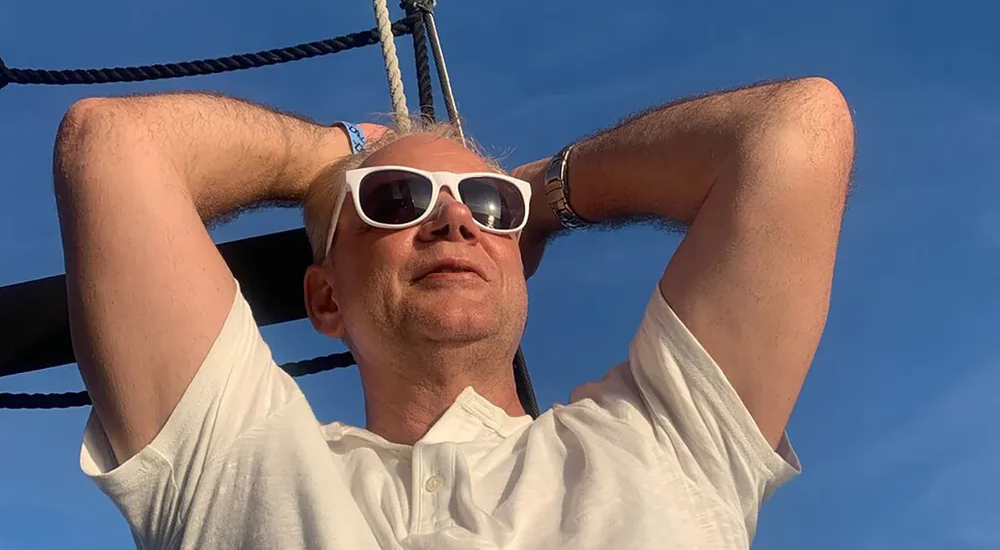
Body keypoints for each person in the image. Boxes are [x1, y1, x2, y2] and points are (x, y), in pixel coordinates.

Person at [53, 77, 853, 549]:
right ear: (325, 297)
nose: (455, 220)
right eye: (395, 199)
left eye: (488, 205)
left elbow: (797, 127)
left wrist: (546, 193)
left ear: (519, 267)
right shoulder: (237, 458)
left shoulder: (666, 440)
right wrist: (333, 155)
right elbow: (113, 147)